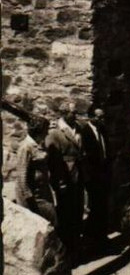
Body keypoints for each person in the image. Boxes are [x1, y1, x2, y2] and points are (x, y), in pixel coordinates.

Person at [46, 102, 84, 255]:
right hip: (65, 178)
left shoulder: (78, 128)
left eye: (75, 113)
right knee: (65, 213)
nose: (75, 115)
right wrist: (59, 181)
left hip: (78, 175)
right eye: (73, 113)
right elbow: (53, 160)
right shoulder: (55, 133)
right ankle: (67, 249)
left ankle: (76, 244)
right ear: (64, 113)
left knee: (78, 210)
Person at [15, 113, 57, 226]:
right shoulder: (26, 147)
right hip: (33, 198)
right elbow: (21, 174)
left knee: (50, 221)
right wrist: (29, 199)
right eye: (45, 130)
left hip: (42, 192)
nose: (47, 133)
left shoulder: (37, 144)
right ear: (39, 130)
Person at [80, 105, 111, 250]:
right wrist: (88, 177)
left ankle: (101, 236)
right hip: (92, 176)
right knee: (94, 206)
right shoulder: (84, 132)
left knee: (102, 206)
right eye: (99, 117)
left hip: (103, 174)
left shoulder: (102, 130)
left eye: (103, 117)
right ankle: (91, 237)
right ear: (91, 117)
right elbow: (84, 157)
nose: (102, 119)